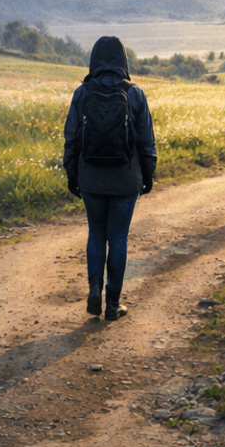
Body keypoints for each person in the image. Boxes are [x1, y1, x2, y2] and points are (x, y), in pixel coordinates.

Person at [63, 36, 157, 321]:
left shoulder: (82, 93)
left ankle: (94, 289)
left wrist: (72, 173)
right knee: (118, 237)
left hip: (91, 176)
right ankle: (113, 305)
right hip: (126, 178)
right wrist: (148, 175)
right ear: (123, 60)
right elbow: (147, 142)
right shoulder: (135, 93)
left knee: (96, 233)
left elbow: (71, 138)